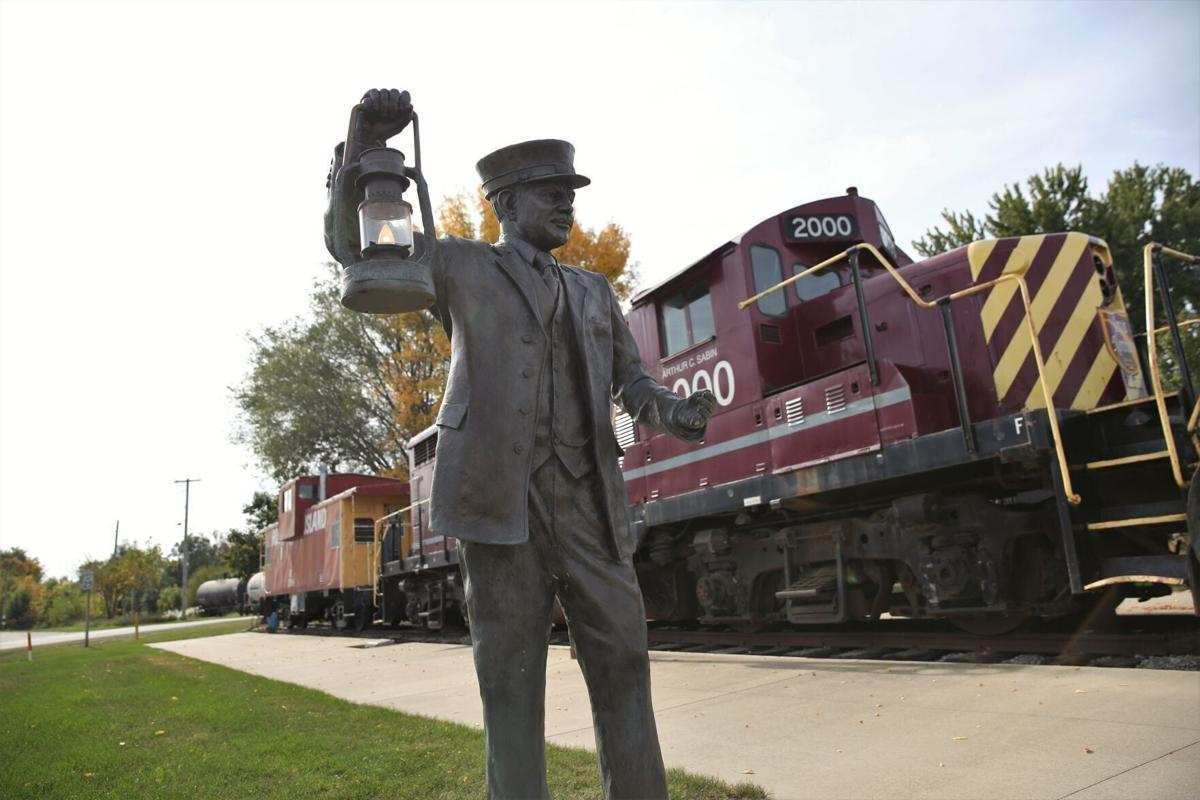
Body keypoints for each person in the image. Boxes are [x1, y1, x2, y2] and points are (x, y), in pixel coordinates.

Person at [326, 89, 717, 799]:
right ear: (505, 205)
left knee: (626, 663)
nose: (568, 207)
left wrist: (675, 412)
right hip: (497, 507)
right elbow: (356, 248)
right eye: (551, 195)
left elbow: (633, 385)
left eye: (571, 195)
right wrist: (361, 158)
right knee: (509, 681)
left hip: (592, 507)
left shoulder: (596, 291)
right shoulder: (462, 266)